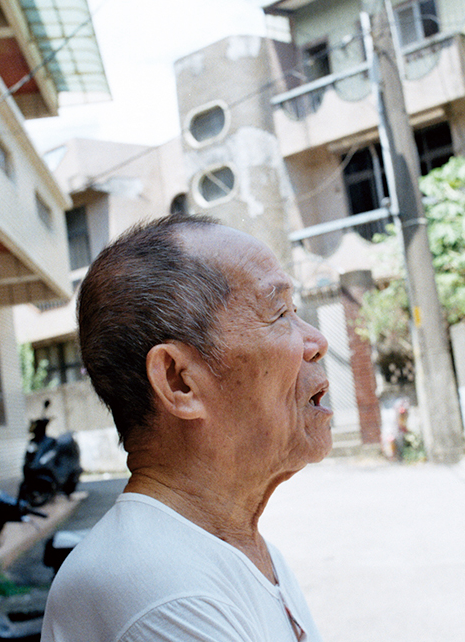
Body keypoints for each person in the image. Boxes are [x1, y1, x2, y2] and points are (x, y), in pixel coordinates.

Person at [42, 214, 332, 642]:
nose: (316, 342)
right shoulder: (162, 594)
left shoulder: (234, 551)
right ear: (179, 381)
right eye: (279, 313)